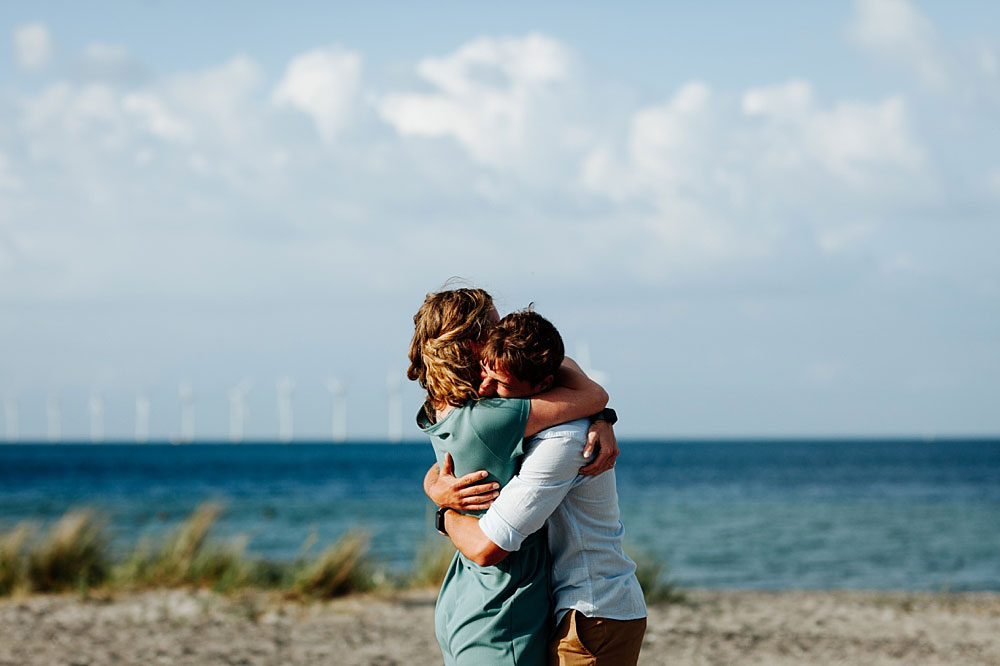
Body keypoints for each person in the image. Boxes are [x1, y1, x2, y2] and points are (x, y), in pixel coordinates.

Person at [408, 287, 617, 666]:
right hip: (504, 611)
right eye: (495, 327)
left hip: (461, 601)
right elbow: (591, 394)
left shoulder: (439, 407)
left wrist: (435, 490)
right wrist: (602, 417)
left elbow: (442, 469)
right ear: (474, 346)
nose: (505, 331)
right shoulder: (498, 416)